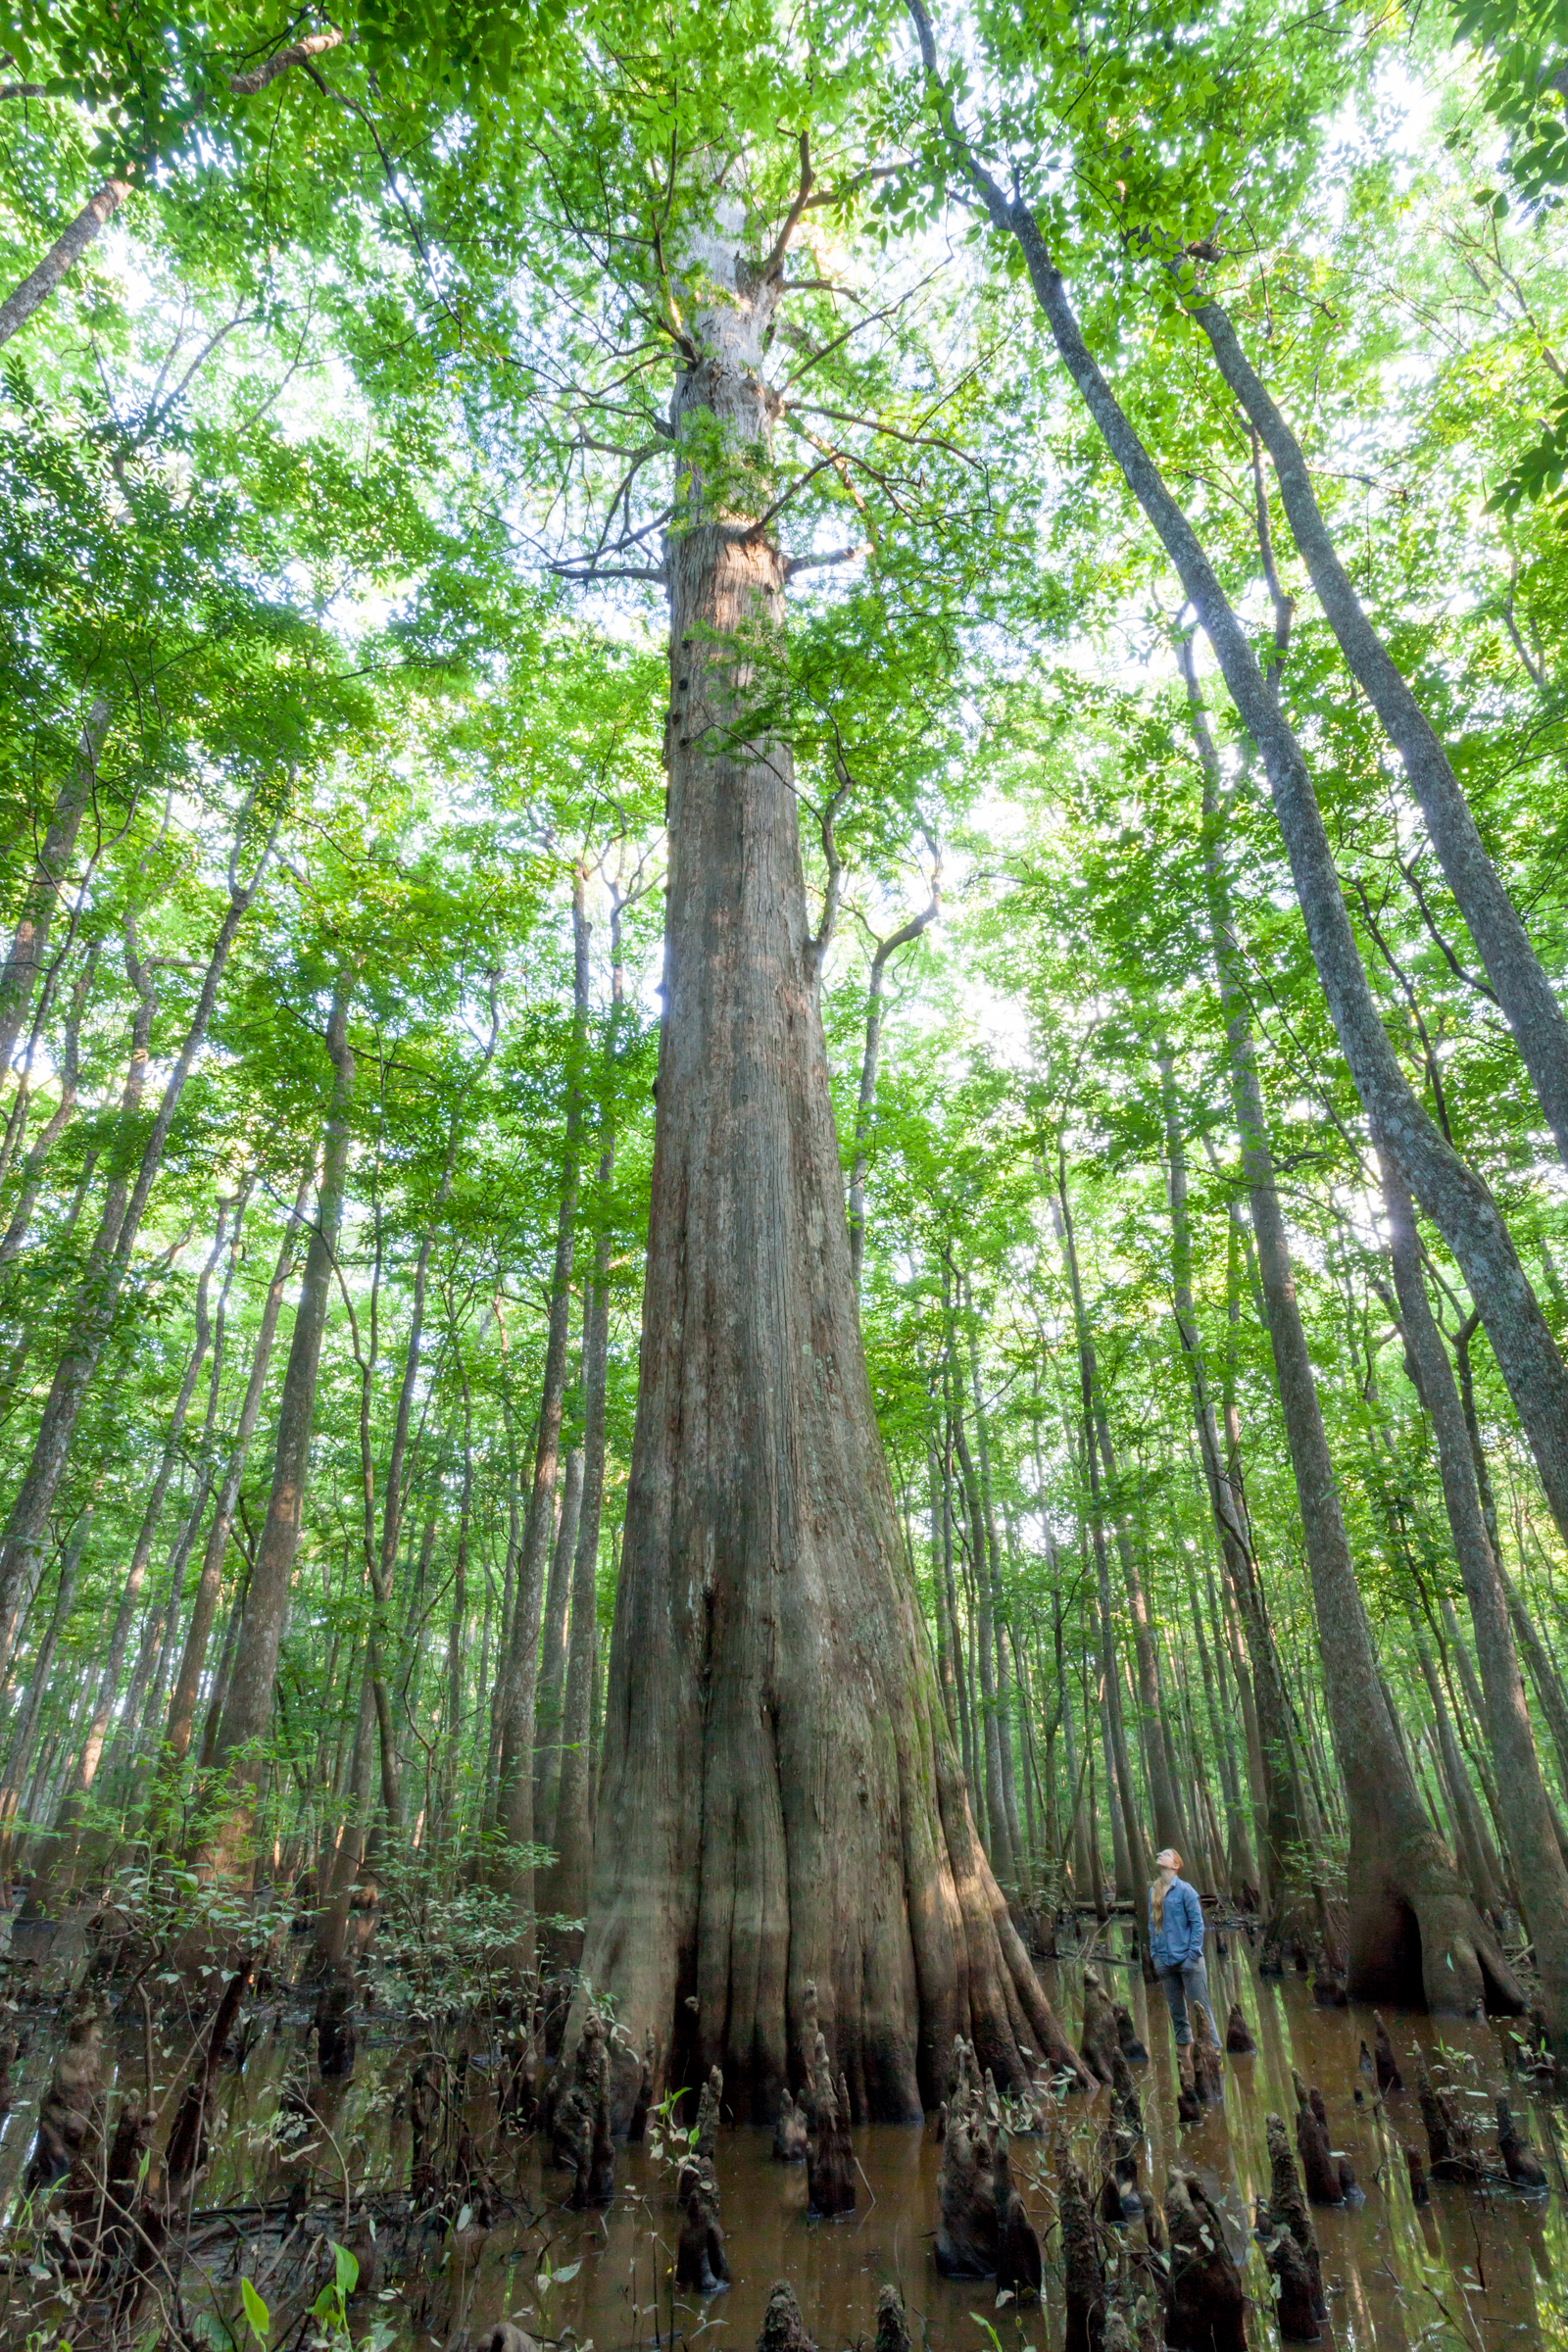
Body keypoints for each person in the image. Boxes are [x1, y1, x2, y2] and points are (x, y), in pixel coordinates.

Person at [1149, 1847, 1214, 2049]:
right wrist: (1155, 1955)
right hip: (1165, 1963)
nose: (1160, 1854)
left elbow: (1197, 1924)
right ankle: (1185, 2065)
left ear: (1175, 1865)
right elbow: (1152, 1925)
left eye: (1165, 1854)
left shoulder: (1187, 1891)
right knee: (1178, 2017)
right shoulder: (1154, 1891)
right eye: (1159, 1854)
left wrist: (1192, 1955)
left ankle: (1213, 2056)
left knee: (1202, 2013)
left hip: (1189, 1962)